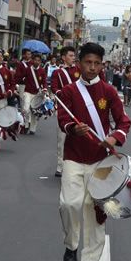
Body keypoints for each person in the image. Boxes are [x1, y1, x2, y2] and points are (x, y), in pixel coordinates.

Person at [57, 42, 131, 261]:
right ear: (79, 64)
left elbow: (123, 121)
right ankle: (71, 244)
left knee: (95, 210)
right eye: (88, 62)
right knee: (69, 204)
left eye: (97, 63)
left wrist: (114, 138)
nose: (92, 67)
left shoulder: (109, 92)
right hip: (73, 156)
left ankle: (90, 259)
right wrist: (73, 128)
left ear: (102, 65)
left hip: (100, 160)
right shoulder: (69, 91)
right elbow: (62, 119)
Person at [51, 46, 80, 177]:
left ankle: (76, 166)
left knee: (79, 138)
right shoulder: (57, 72)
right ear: (63, 57)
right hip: (64, 109)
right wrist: (64, 94)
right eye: (70, 55)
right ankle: (60, 167)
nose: (73, 58)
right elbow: (54, 88)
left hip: (79, 108)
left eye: (74, 56)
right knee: (61, 139)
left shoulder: (79, 70)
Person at [21, 52, 46, 135]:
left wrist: (45, 89)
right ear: (32, 60)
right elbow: (21, 78)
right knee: (26, 109)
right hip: (27, 92)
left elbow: (44, 82)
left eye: (38, 60)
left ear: (40, 62)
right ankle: (26, 124)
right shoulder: (27, 69)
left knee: (35, 112)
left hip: (37, 94)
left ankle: (32, 128)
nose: (36, 62)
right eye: (35, 60)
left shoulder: (42, 71)